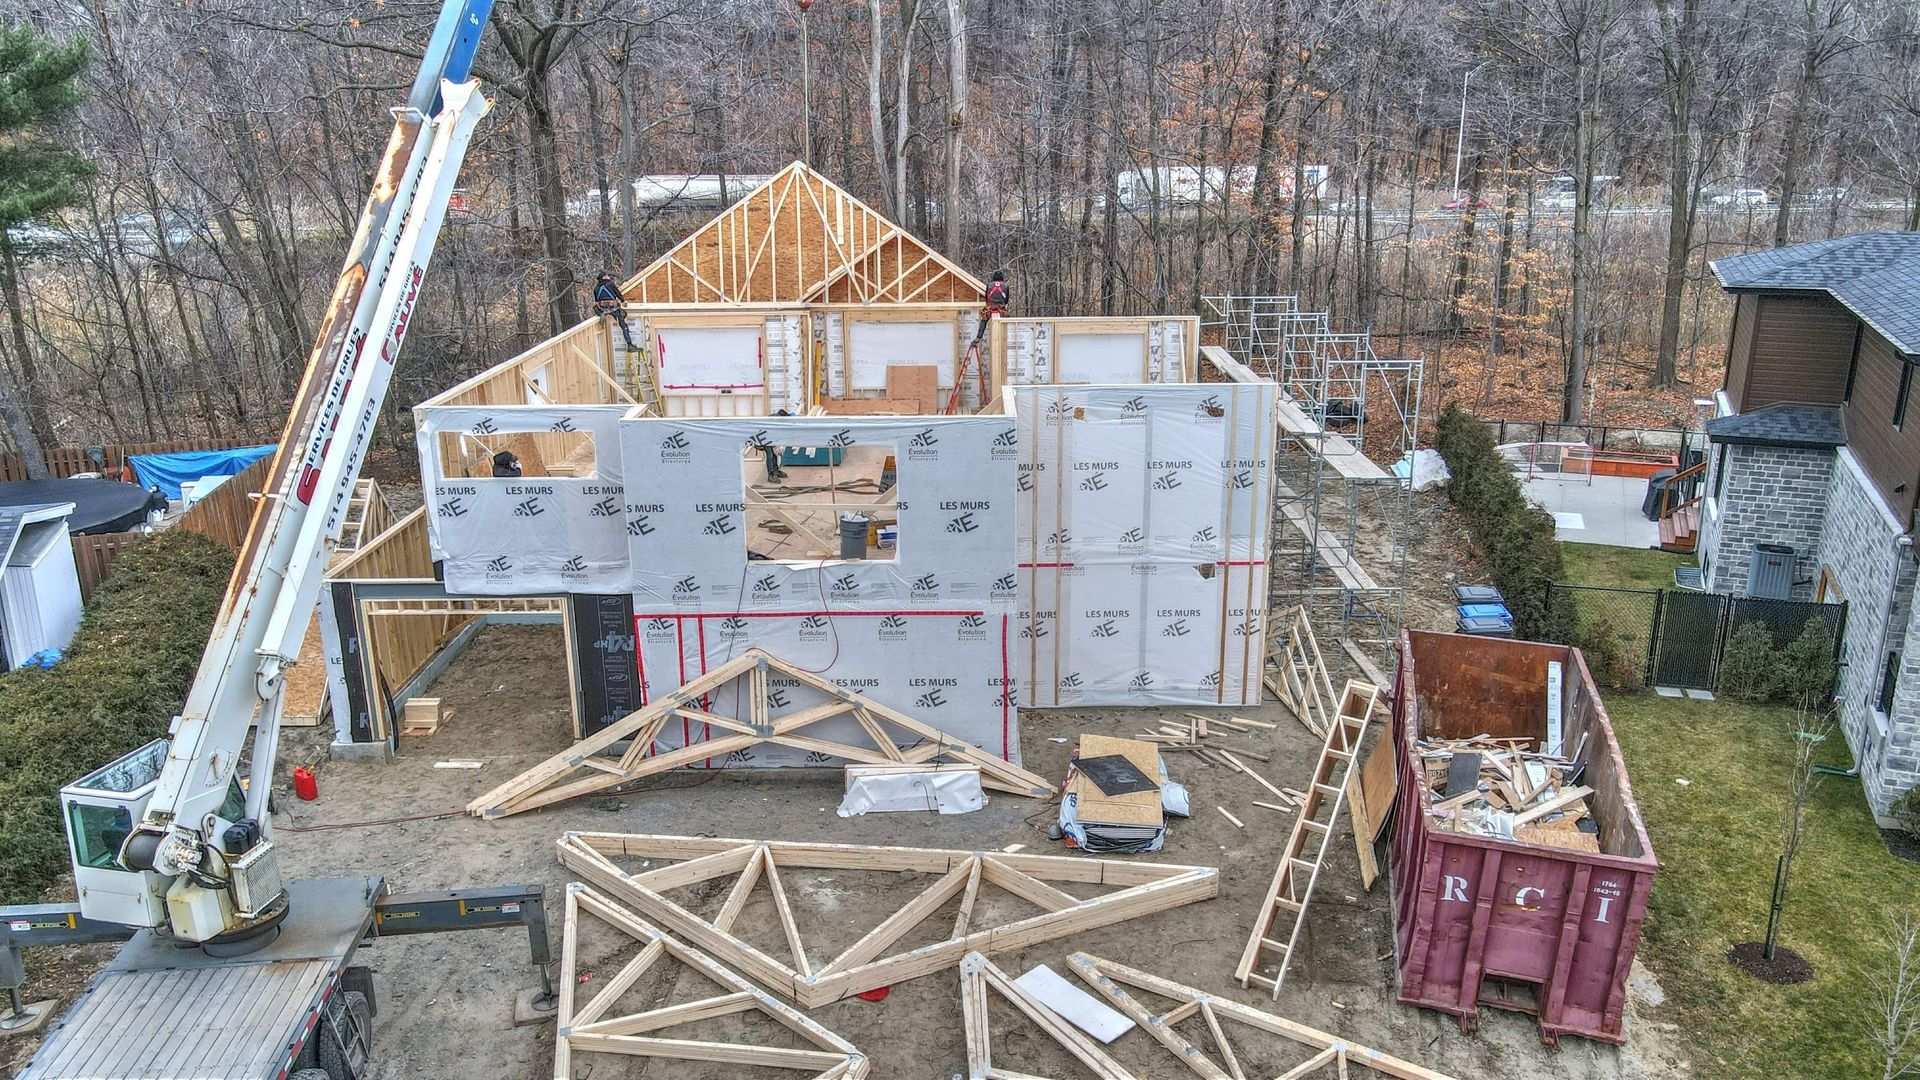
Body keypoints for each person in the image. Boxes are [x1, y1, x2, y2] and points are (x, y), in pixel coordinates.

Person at [593, 271, 638, 351]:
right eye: (606, 276)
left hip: (603, 308)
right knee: (623, 325)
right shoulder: (610, 284)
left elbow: (596, 300)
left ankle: (601, 314)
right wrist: (623, 301)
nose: (608, 276)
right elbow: (618, 293)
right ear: (604, 277)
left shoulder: (596, 288)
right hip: (613, 308)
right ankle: (630, 345)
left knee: (596, 308)